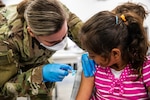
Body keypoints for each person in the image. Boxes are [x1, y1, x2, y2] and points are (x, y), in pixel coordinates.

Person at [0, 0, 83, 99]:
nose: (62, 43)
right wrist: (40, 74)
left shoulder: (56, 11)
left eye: (64, 35)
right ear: (31, 32)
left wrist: (94, 50)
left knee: (43, 89)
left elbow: (87, 35)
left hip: (32, 51)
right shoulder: (5, 42)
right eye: (53, 42)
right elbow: (4, 88)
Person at [70, 2, 149, 100]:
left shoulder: (144, 68)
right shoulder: (94, 67)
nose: (90, 58)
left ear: (115, 53)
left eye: (93, 55)